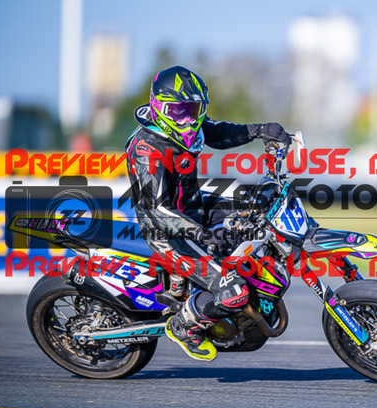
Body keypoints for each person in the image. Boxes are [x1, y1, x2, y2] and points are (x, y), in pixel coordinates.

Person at [124, 66, 291, 361]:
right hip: (166, 231)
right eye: (179, 111)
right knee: (233, 292)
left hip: (194, 207)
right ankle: (183, 326)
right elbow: (157, 210)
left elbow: (216, 132)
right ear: (159, 107)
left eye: (193, 110)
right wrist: (204, 234)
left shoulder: (187, 126)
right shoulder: (146, 149)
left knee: (258, 211)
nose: (188, 119)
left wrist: (260, 130)